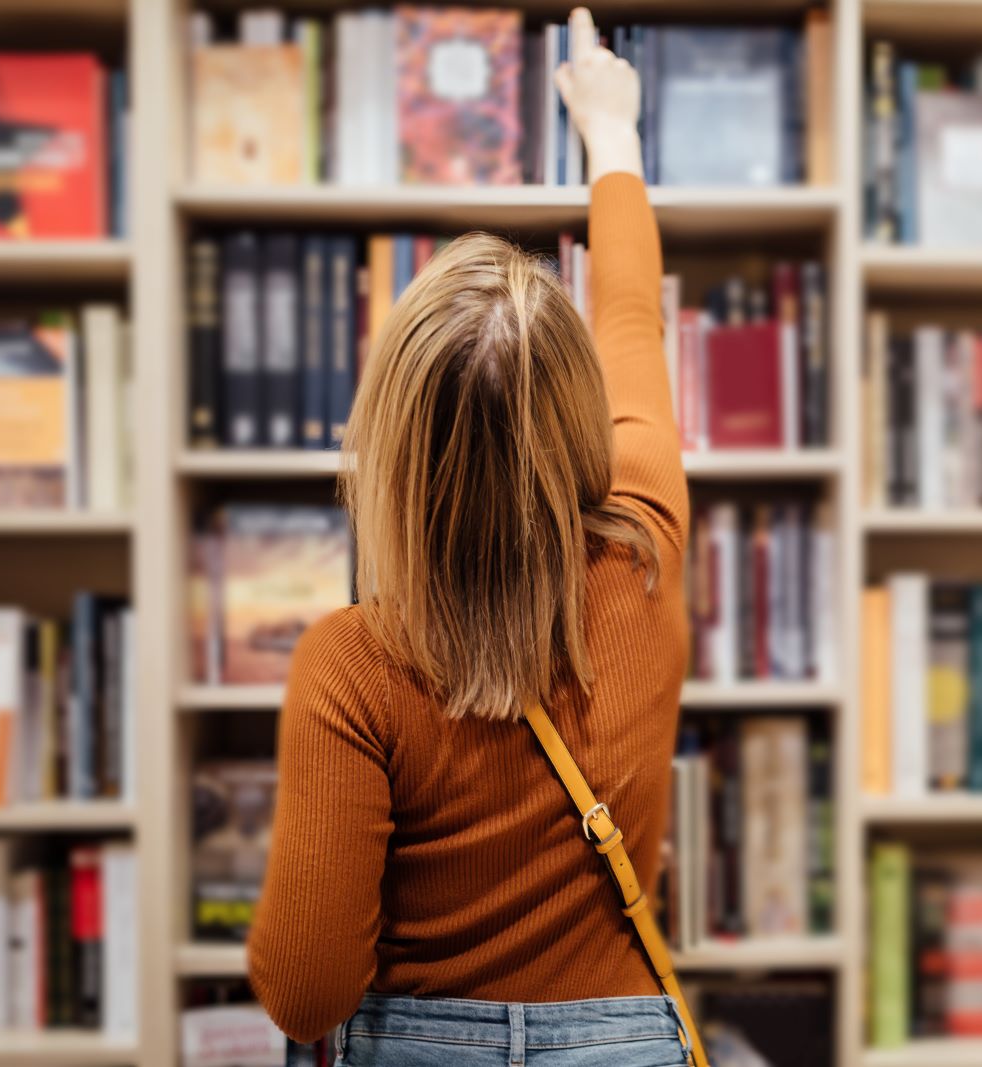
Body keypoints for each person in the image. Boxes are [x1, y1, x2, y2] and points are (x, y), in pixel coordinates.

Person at [247, 10, 693, 1063]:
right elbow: (631, 318)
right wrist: (613, 135)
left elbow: (306, 991)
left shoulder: (351, 665)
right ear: (579, 414)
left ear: (392, 449)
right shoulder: (643, 548)